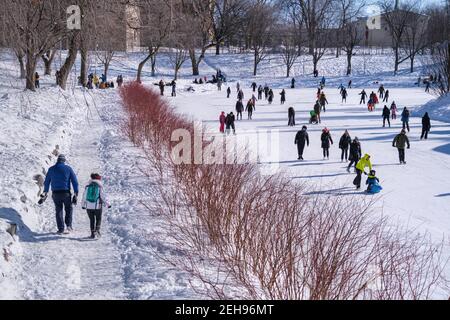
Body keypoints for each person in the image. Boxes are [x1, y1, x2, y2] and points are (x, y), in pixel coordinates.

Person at [41, 154, 79, 235]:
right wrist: (76, 192)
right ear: (64, 160)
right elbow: (74, 181)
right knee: (68, 209)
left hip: (55, 193)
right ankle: (68, 225)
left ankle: (61, 229)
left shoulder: (51, 169)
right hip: (66, 193)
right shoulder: (68, 169)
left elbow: (47, 182)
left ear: (57, 160)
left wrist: (45, 192)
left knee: (58, 210)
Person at [81, 173, 111, 239]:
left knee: (91, 220)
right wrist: (108, 204)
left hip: (88, 207)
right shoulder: (99, 186)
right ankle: (97, 230)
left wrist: (83, 205)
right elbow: (103, 197)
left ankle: (92, 234)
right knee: (98, 218)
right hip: (97, 206)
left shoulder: (88, 186)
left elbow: (84, 197)